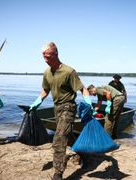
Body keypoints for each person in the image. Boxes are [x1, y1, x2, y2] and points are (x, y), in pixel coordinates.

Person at [29, 42, 92, 180]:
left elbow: (83, 89)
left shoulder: (69, 71)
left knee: (58, 139)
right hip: (57, 108)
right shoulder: (47, 72)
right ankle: (82, 153)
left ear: (56, 54)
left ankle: (58, 173)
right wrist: (36, 103)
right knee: (67, 137)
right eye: (43, 57)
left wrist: (88, 103)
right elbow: (45, 90)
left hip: (68, 107)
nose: (45, 59)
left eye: (48, 56)